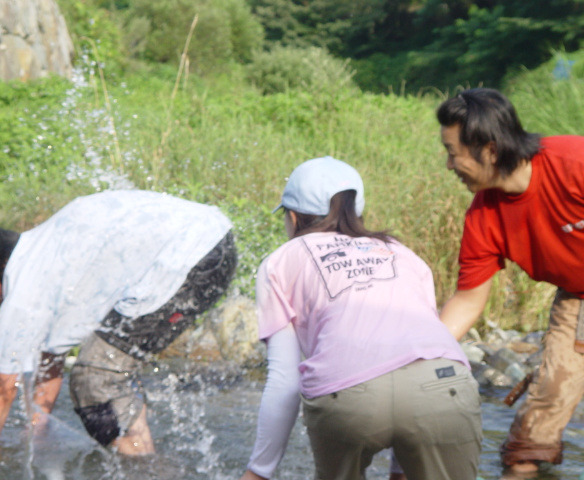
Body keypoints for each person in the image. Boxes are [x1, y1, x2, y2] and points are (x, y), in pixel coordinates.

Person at [239, 156, 482, 480]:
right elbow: (414, 346)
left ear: (293, 217)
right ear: (357, 212)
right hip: (444, 384)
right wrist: (400, 470)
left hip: (347, 394)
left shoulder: (280, 260)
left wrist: (260, 471)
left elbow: (284, 380)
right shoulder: (403, 253)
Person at [0, 189, 237, 455]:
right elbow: (49, 362)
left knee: (96, 380)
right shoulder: (43, 252)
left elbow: (1, 390)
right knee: (106, 371)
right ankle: (139, 449)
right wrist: (36, 435)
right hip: (213, 238)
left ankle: (148, 470)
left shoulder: (22, 297)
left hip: (191, 260)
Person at [437, 87, 584, 474]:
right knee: (541, 415)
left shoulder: (573, 161)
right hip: (579, 297)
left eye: (453, 153)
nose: (449, 165)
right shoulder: (483, 217)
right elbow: (468, 301)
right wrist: (417, 352)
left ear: (489, 150)